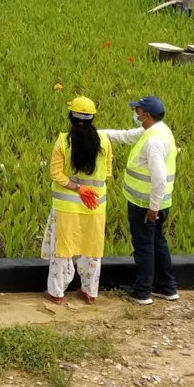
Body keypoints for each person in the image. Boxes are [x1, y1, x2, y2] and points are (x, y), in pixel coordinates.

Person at [100, 95, 179, 305]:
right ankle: (167, 287)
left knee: (144, 246)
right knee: (158, 243)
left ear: (147, 114)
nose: (135, 113)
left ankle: (142, 291)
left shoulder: (153, 141)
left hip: (145, 204)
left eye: (138, 110)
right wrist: (96, 133)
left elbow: (159, 177)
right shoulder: (158, 130)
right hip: (159, 203)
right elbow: (125, 136)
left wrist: (152, 207)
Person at [45, 96, 111, 306]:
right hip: (95, 207)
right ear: (92, 118)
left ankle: (56, 293)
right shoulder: (105, 141)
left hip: (66, 207)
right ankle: (90, 292)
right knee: (92, 249)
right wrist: (88, 189)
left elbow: (56, 174)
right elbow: (107, 173)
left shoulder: (63, 141)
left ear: (71, 117)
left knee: (62, 249)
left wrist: (77, 188)